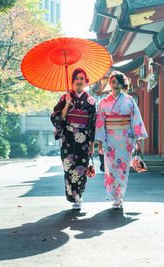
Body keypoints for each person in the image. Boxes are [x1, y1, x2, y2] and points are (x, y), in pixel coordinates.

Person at [95, 71, 148, 209]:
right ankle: (115, 196)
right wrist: (100, 141)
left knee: (123, 169)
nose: (115, 85)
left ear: (122, 84)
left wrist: (137, 138)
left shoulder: (129, 100)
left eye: (118, 82)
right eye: (113, 82)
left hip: (126, 139)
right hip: (110, 139)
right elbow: (100, 122)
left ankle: (120, 196)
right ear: (110, 84)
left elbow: (135, 119)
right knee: (111, 168)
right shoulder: (103, 102)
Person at [51, 68, 96, 210]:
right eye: (77, 78)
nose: (79, 81)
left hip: (83, 138)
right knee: (69, 167)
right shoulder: (65, 98)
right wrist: (66, 106)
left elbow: (93, 123)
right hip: (68, 137)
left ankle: (79, 196)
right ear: (73, 81)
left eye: (82, 78)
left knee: (81, 167)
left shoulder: (91, 101)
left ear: (86, 81)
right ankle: (72, 196)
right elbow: (56, 118)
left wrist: (92, 143)